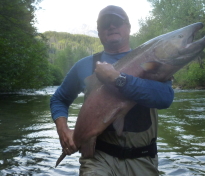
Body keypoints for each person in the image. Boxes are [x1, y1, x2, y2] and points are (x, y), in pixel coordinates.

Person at [50, 5, 174, 176]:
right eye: (105, 23)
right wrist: (63, 129)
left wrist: (118, 80)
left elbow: (165, 99)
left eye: (117, 21)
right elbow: (59, 99)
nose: (111, 26)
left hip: (143, 160)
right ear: (99, 32)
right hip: (98, 159)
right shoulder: (84, 65)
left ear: (128, 28)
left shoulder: (150, 59)